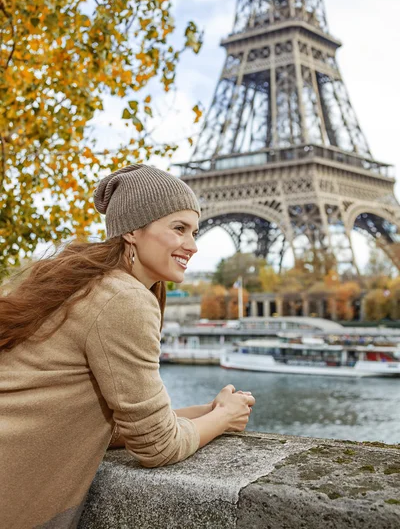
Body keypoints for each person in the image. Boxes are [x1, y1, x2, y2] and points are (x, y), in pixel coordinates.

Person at [0, 164, 255, 529]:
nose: (193, 246)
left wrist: (204, 411)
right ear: (134, 230)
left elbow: (107, 423)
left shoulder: (88, 285)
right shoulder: (123, 297)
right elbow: (158, 447)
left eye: (194, 231)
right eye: (178, 228)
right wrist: (224, 417)